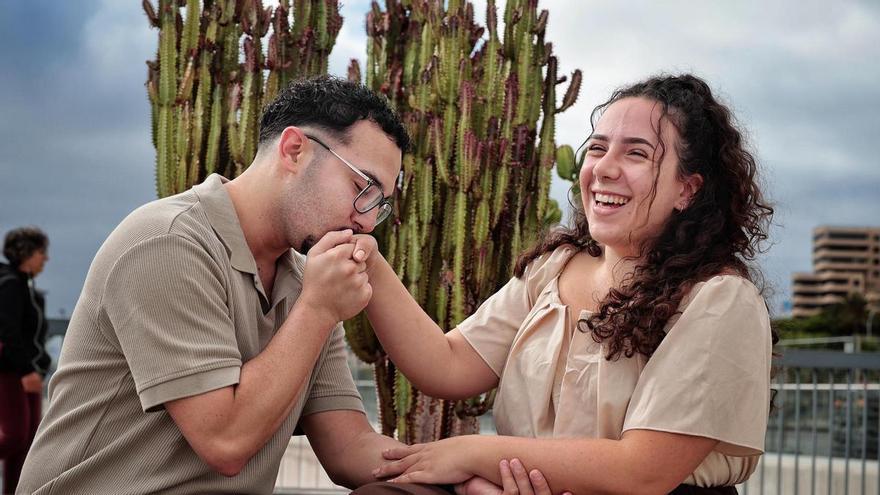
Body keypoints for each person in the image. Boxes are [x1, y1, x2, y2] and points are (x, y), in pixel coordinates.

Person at [356, 74, 775, 495]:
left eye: (636, 154)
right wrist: (366, 259)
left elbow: (643, 471)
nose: (604, 169)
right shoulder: (553, 269)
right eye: (597, 148)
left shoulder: (719, 299)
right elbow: (447, 365)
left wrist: (470, 457)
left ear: (687, 188)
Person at [16, 76, 412, 495]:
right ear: (295, 150)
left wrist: (460, 467)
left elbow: (349, 447)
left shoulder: (305, 282)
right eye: (362, 188)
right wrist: (317, 309)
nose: (367, 221)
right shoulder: (167, 242)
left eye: (380, 205)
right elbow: (225, 443)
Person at [0, 227, 50, 494]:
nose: (46, 259)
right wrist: (26, 371)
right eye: (42, 252)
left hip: (28, 372)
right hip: (13, 374)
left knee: (28, 444)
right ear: (26, 253)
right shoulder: (10, 285)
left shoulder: (25, 287)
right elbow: (7, 334)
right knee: (15, 438)